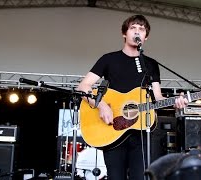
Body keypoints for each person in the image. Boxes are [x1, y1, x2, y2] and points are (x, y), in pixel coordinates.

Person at [77, 14, 188, 180]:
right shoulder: (109, 59)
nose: (137, 32)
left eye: (141, 29)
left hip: (142, 133)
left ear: (146, 37)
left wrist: (176, 102)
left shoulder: (151, 64)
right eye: (133, 28)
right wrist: (101, 105)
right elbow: (82, 87)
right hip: (113, 130)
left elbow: (157, 98)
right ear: (124, 33)